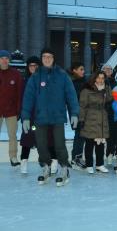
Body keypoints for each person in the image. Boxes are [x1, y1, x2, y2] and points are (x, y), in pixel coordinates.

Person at [21, 48, 79, 186]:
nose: (47, 59)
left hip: (57, 117)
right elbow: (28, 98)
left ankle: (64, 168)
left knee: (59, 145)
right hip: (40, 118)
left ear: (53, 59)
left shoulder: (62, 75)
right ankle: (46, 167)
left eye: (49, 56)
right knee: (41, 145)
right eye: (44, 56)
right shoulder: (35, 76)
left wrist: (74, 113)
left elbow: (71, 96)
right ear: (42, 59)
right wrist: (26, 117)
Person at [78, 71, 113, 174]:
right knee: (89, 143)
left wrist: (107, 89)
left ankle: (99, 164)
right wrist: (81, 119)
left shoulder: (105, 89)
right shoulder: (87, 90)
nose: (101, 80)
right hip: (90, 118)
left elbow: (110, 99)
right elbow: (82, 106)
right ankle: (89, 165)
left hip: (102, 118)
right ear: (94, 78)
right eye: (99, 78)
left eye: (102, 78)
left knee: (101, 144)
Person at [0, 50, 24, 167]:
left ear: (9, 60)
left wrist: (19, 110)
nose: (4, 60)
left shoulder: (15, 74)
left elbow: (19, 94)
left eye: (6, 58)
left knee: (12, 135)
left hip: (11, 111)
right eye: (2, 58)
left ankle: (13, 157)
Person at [68, 62, 87, 170]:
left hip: (85, 113)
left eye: (83, 69)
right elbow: (71, 100)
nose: (83, 71)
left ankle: (77, 157)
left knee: (81, 136)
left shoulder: (85, 82)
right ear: (74, 70)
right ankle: (75, 158)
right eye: (81, 69)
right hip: (76, 114)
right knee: (79, 135)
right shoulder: (71, 83)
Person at [102, 64, 117, 165]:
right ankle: (100, 156)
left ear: (112, 71)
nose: (108, 70)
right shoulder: (97, 82)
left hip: (113, 112)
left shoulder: (116, 83)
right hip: (100, 112)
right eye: (105, 69)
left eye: (109, 69)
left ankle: (110, 154)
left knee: (111, 134)